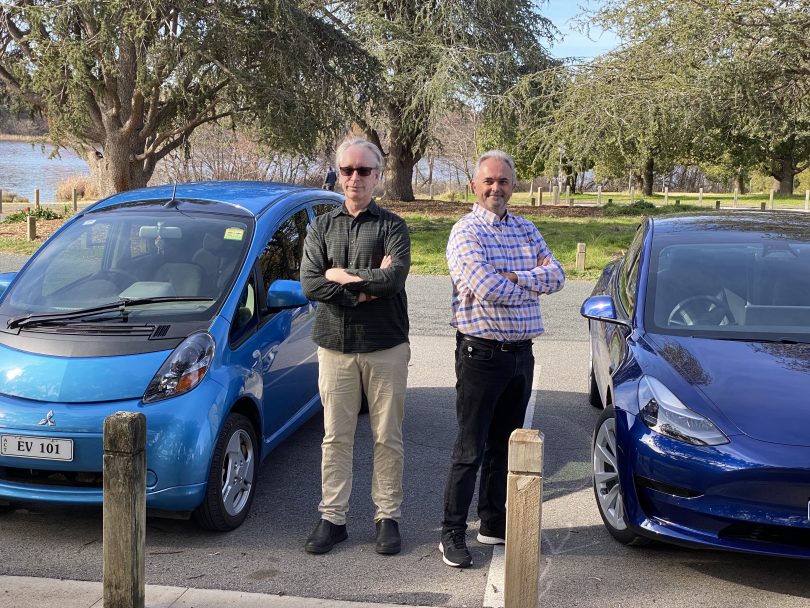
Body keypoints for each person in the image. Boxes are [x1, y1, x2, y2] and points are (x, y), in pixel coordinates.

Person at [440, 150, 565, 568]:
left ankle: (492, 522)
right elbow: (484, 286)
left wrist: (516, 277)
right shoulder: (465, 232)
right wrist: (529, 284)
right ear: (475, 186)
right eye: (489, 181)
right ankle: (451, 532)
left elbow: (558, 276)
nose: (496, 188)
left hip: (520, 356)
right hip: (480, 354)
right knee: (469, 448)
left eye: (504, 181)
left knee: (504, 448)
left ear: (514, 186)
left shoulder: (527, 229)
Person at [301, 136, 411, 556]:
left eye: (364, 170)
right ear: (339, 175)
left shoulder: (393, 226)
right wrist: (365, 287)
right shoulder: (321, 226)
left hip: (385, 345)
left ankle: (387, 517)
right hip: (334, 346)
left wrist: (341, 277)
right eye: (347, 170)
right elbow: (311, 283)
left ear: (378, 176)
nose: (354, 178)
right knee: (336, 437)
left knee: (387, 436)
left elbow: (394, 279)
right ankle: (333, 518)